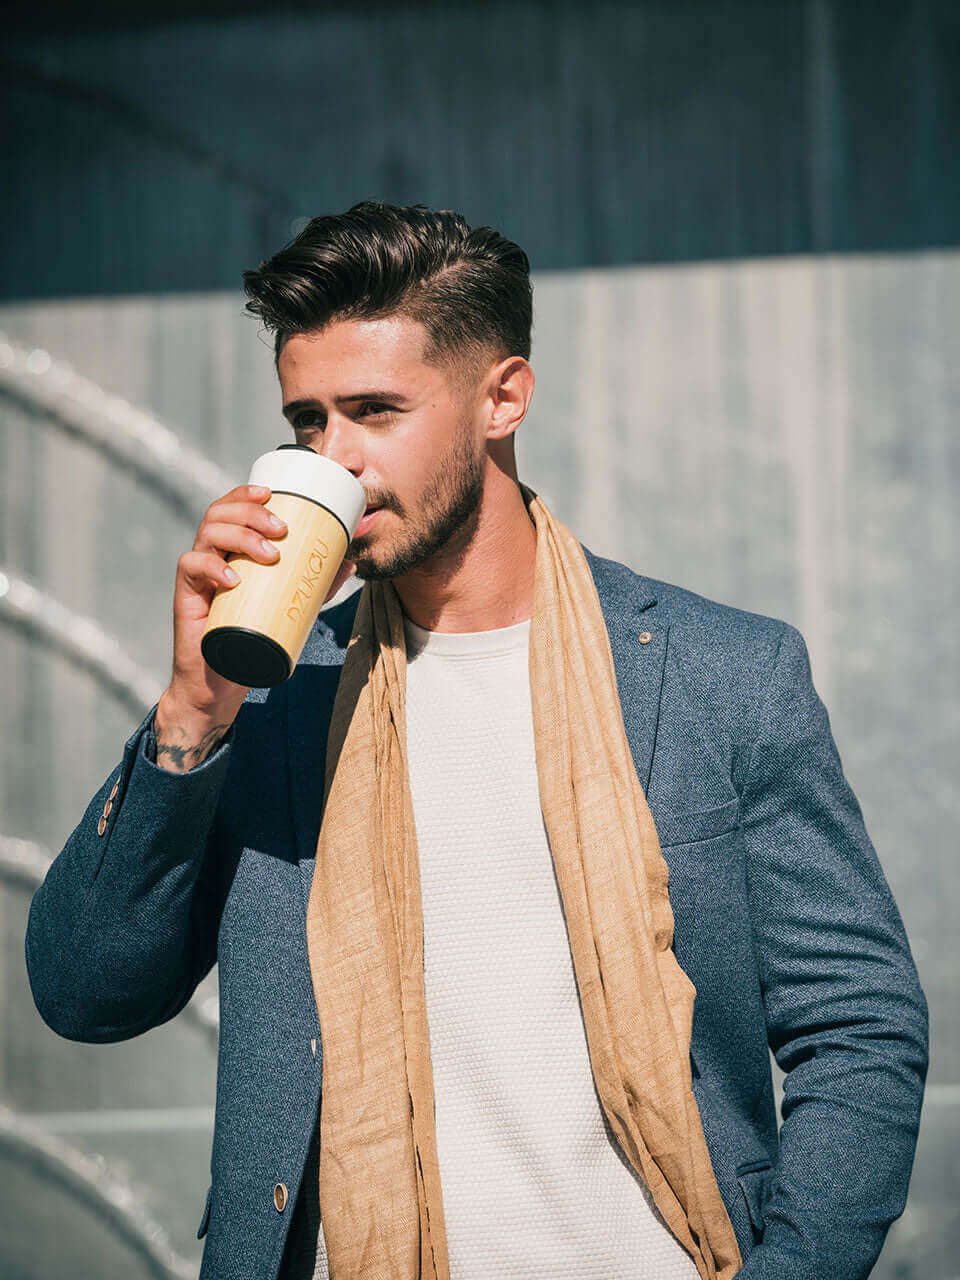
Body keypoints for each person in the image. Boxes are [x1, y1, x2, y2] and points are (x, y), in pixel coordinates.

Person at [25, 202, 927, 1280]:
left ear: (503, 397)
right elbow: (85, 992)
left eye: (373, 411)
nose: (336, 459)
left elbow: (858, 1023)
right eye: (307, 423)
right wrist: (190, 712)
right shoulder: (276, 699)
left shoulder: (723, 674)